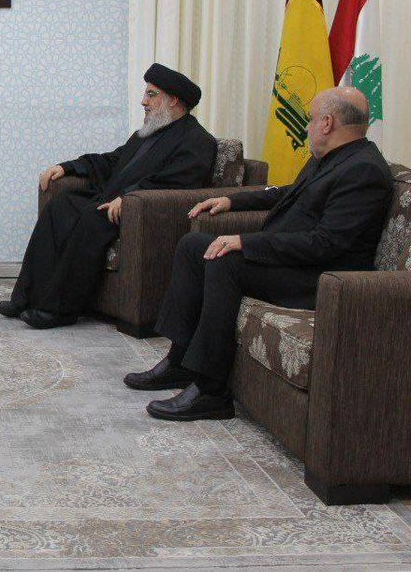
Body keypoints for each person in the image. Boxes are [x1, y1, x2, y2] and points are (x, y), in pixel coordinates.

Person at [125, 87, 391, 421]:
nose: (307, 127)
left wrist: (246, 242)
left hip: (320, 279)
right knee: (194, 245)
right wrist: (232, 200)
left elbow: (326, 244)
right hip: (292, 261)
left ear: (327, 123)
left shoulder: (364, 170)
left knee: (225, 261)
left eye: (310, 120)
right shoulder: (333, 157)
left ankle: (211, 391)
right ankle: (179, 361)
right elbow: (289, 194)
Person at [0, 63, 217, 329]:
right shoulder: (147, 133)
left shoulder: (197, 140)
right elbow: (112, 161)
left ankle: (59, 310)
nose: (143, 101)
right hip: (111, 200)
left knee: (91, 218)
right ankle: (25, 298)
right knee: (61, 205)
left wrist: (129, 197)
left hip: (142, 213)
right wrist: (67, 167)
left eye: (151, 94)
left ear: (174, 100)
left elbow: (178, 184)